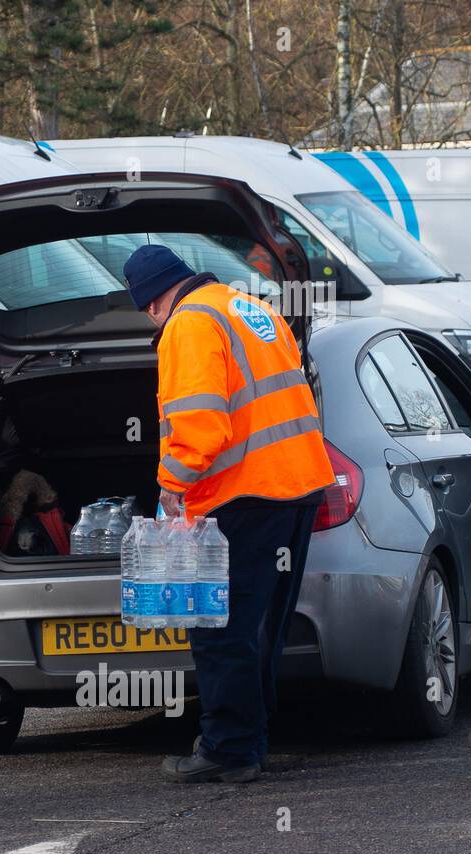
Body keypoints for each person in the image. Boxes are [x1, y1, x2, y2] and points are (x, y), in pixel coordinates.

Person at [122, 244, 334, 783]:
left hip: (241, 494)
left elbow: (200, 421)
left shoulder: (188, 324)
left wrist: (172, 485)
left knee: (218, 626)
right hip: (296, 484)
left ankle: (229, 749)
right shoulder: (250, 308)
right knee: (260, 624)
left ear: (150, 305)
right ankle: (251, 738)